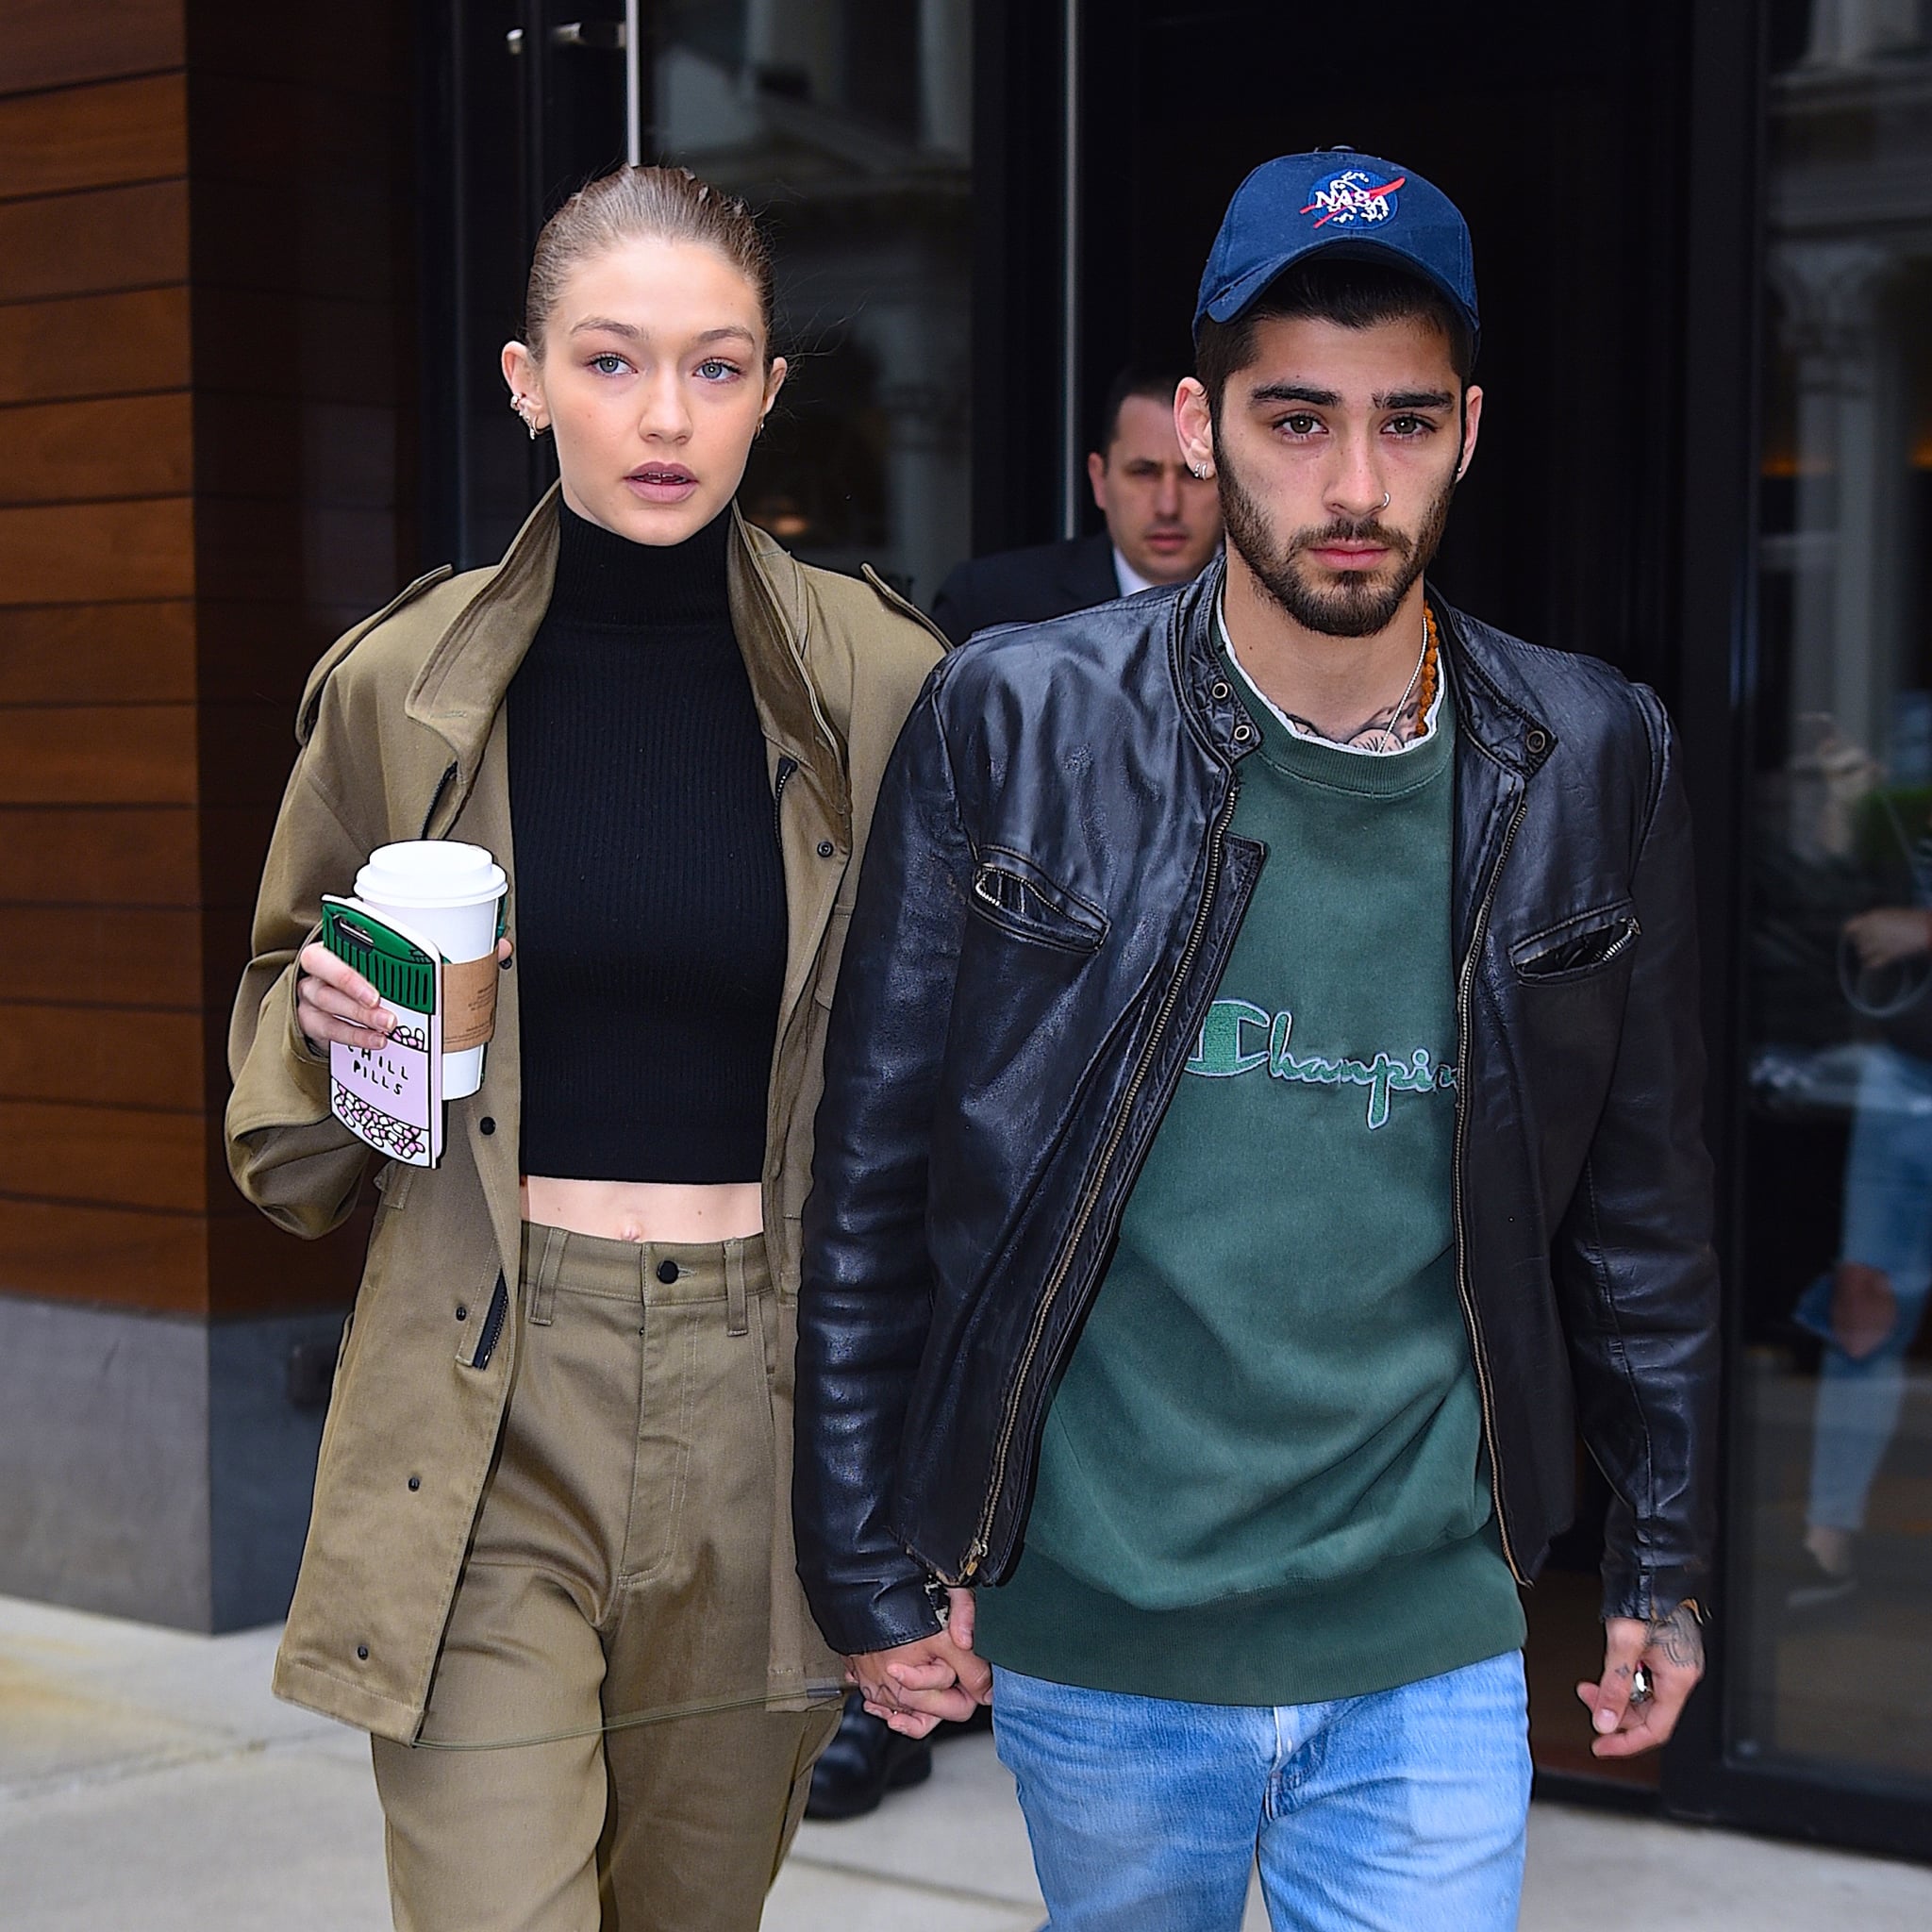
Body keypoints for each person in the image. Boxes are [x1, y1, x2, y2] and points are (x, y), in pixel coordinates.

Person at [794, 149, 1719, 1930]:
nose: (1353, 485)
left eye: (1404, 422)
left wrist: (1663, 1559)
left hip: (1429, 1634)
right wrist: (861, 1551)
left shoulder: (1593, 755)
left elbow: (1641, 1208)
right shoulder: (1015, 719)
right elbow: (876, 1171)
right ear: (1201, 428)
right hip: (1102, 1624)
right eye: (1295, 421)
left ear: (1469, 431)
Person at [225, 165, 941, 1932]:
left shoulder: (889, 684)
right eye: (612, 363)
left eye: (716, 367)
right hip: (483, 1387)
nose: (665, 416)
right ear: (525, 377)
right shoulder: (399, 685)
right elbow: (279, 1095)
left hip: (764, 1402)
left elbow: (958, 1087)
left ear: (773, 390)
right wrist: (325, 1032)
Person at [928, 366, 1221, 646]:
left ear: (1229, 481)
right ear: (1099, 480)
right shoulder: (987, 605)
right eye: (1144, 472)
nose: (1168, 506)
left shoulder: (1267, 604)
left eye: (1193, 473)